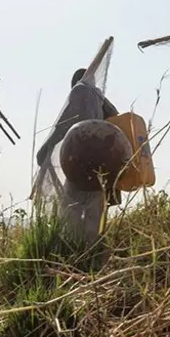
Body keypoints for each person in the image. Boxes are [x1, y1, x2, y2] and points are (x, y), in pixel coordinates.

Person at [35, 67, 121, 241]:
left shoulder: (79, 93)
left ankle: (73, 250)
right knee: (95, 211)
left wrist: (44, 150)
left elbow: (62, 127)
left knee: (71, 208)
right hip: (101, 169)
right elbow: (115, 118)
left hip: (79, 165)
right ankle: (91, 252)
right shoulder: (101, 102)